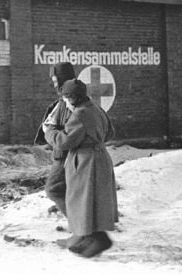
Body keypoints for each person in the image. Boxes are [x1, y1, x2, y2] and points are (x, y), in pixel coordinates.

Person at [44, 79, 118, 258]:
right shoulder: (97, 109)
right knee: (93, 201)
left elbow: (65, 141)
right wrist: (94, 141)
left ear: (72, 98)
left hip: (85, 163)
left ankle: (100, 240)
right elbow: (110, 133)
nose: (66, 103)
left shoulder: (79, 115)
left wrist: (50, 132)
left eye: (67, 99)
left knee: (81, 200)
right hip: (100, 158)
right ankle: (89, 238)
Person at [34, 62, 75, 217]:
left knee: (54, 189)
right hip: (63, 153)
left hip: (65, 155)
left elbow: (68, 130)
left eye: (56, 80)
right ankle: (83, 229)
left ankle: (81, 229)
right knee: (67, 190)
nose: (54, 84)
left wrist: (50, 133)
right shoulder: (63, 100)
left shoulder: (70, 100)